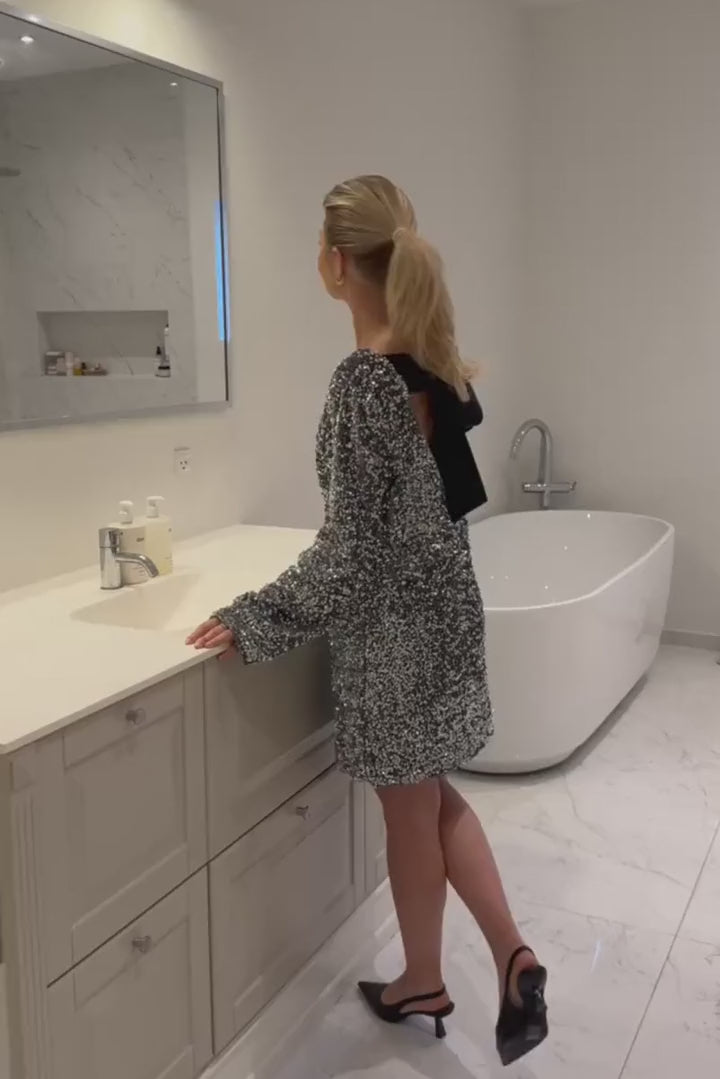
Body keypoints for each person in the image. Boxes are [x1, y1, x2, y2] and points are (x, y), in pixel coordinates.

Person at [187, 175, 548, 1066]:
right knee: (431, 797)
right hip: (446, 614)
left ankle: (434, 974)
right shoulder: (430, 360)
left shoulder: (363, 382)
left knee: (408, 810)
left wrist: (255, 614)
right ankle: (506, 956)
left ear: (338, 263)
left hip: (392, 637)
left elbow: (349, 553)